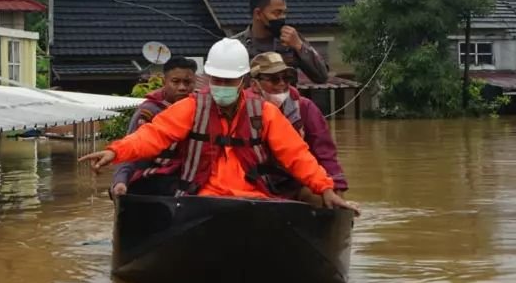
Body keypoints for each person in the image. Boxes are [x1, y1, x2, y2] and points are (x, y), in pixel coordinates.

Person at [80, 38, 360, 213]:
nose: (222, 86)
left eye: (229, 81)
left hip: (254, 197)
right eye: (217, 80)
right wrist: (115, 151)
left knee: (315, 201)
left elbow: (297, 155)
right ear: (209, 77)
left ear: (243, 80)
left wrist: (325, 188)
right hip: (201, 198)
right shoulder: (191, 107)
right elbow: (152, 135)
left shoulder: (264, 113)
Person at [249, 52, 348, 200]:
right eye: (274, 79)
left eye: (286, 78)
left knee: (321, 199)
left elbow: (325, 153)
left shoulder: (305, 108)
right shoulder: (243, 109)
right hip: (254, 183)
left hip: (295, 183)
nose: (282, 83)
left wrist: (337, 188)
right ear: (254, 85)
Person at [110, 56, 198, 197]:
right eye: (175, 82)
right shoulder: (149, 111)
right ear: (164, 82)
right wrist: (120, 181)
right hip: (154, 178)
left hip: (190, 177)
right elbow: (132, 148)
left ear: (195, 82)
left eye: (187, 82)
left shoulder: (201, 109)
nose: (182, 88)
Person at [234, 0, 329, 83]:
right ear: (258, 13)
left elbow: (322, 77)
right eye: (277, 13)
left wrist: (299, 46)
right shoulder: (236, 46)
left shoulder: (291, 40)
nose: (282, 17)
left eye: (284, 13)